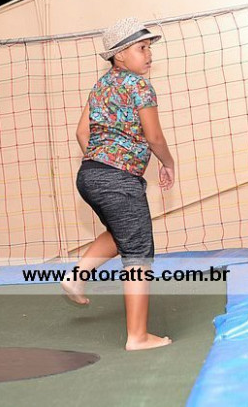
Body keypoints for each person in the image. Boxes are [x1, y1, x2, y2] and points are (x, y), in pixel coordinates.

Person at [62, 17, 176, 351]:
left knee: (122, 232)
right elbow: (154, 137)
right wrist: (168, 163)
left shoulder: (101, 85)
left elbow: (81, 132)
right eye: (141, 48)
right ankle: (137, 336)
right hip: (118, 179)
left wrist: (101, 159)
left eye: (149, 48)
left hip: (89, 175)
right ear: (120, 54)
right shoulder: (140, 86)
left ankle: (77, 276)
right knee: (138, 252)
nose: (148, 54)